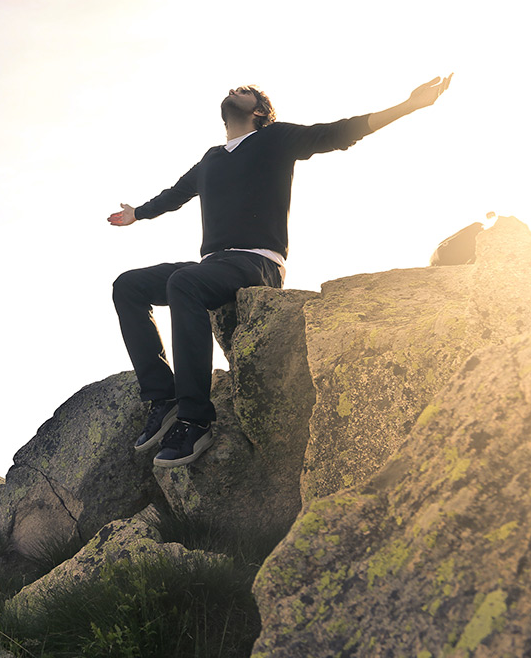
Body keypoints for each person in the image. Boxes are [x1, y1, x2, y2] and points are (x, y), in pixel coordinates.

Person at [108, 74, 452, 468]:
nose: (236, 86)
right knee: (128, 286)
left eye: (246, 89)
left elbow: (338, 133)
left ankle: (194, 419)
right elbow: (175, 195)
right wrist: (138, 213)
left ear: (259, 111)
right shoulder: (211, 159)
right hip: (214, 265)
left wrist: (409, 105)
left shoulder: (274, 140)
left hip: (258, 262)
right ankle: (162, 396)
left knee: (183, 283)